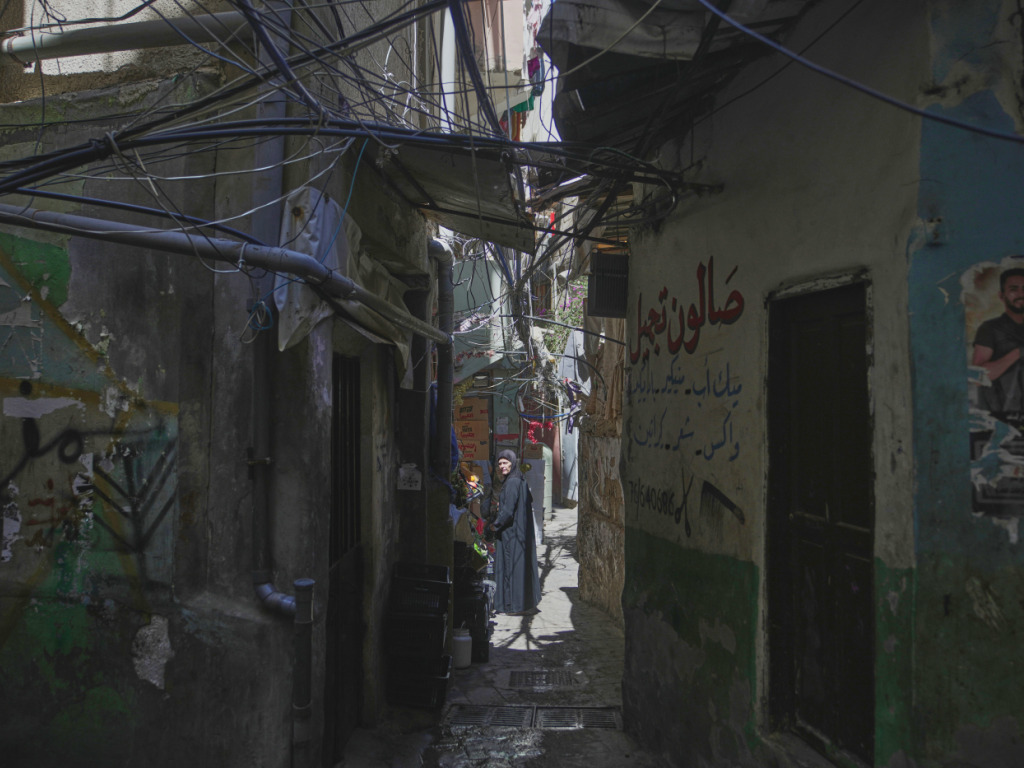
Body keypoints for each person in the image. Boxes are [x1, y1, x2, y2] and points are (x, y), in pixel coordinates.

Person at [488, 449, 541, 615]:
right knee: (520, 568)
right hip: (520, 530)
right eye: (500, 463)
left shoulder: (512, 482)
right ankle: (522, 604)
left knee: (511, 568)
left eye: (505, 463)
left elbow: (508, 511)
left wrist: (494, 525)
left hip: (511, 533)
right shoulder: (519, 479)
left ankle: (512, 605)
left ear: (512, 463)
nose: (502, 466)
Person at [973, 267, 1024, 416]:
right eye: (1014, 289)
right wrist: (1018, 352)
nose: (1021, 294)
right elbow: (978, 377)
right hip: (1004, 416)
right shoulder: (990, 329)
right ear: (1001, 296)